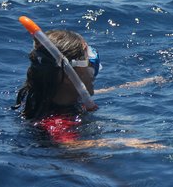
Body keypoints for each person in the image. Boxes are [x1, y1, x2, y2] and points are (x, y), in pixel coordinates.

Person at [13, 29, 165, 149]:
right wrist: (124, 143)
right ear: (68, 76)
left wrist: (135, 85)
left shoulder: (51, 94)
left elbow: (99, 92)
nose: (94, 67)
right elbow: (67, 145)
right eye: (89, 62)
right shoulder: (57, 120)